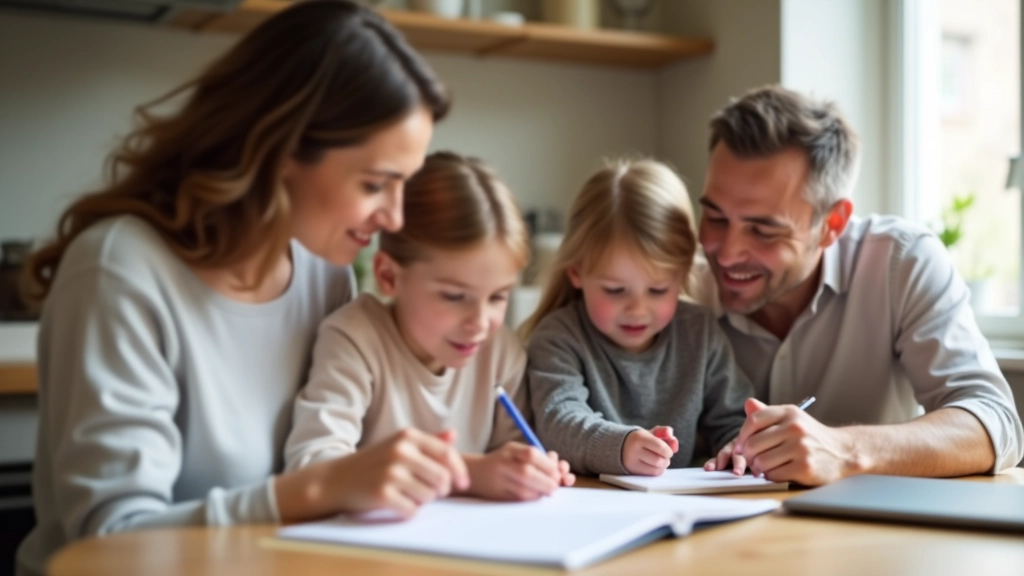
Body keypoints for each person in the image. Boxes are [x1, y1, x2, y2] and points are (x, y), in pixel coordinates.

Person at [16, 2, 469, 574]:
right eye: (377, 184)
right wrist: (319, 488)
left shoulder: (323, 269)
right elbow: (112, 538)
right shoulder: (120, 271)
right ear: (282, 151)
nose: (396, 218)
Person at [699, 85, 1024, 486]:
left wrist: (846, 450)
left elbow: (993, 421)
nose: (727, 253)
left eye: (764, 230)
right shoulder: (671, 282)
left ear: (831, 223)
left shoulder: (902, 262)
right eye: (715, 218)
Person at [284, 152, 574, 509]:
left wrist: (530, 472)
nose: (480, 323)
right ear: (389, 276)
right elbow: (311, 465)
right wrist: (471, 473)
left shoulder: (501, 353)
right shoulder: (354, 338)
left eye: (498, 297)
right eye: (455, 296)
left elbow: (510, 456)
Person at [522, 159, 753, 477]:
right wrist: (622, 446)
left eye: (658, 290)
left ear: (682, 274)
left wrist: (739, 448)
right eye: (615, 290)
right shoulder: (559, 337)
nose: (637, 309)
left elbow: (732, 419)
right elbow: (558, 421)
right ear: (576, 272)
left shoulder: (699, 332)